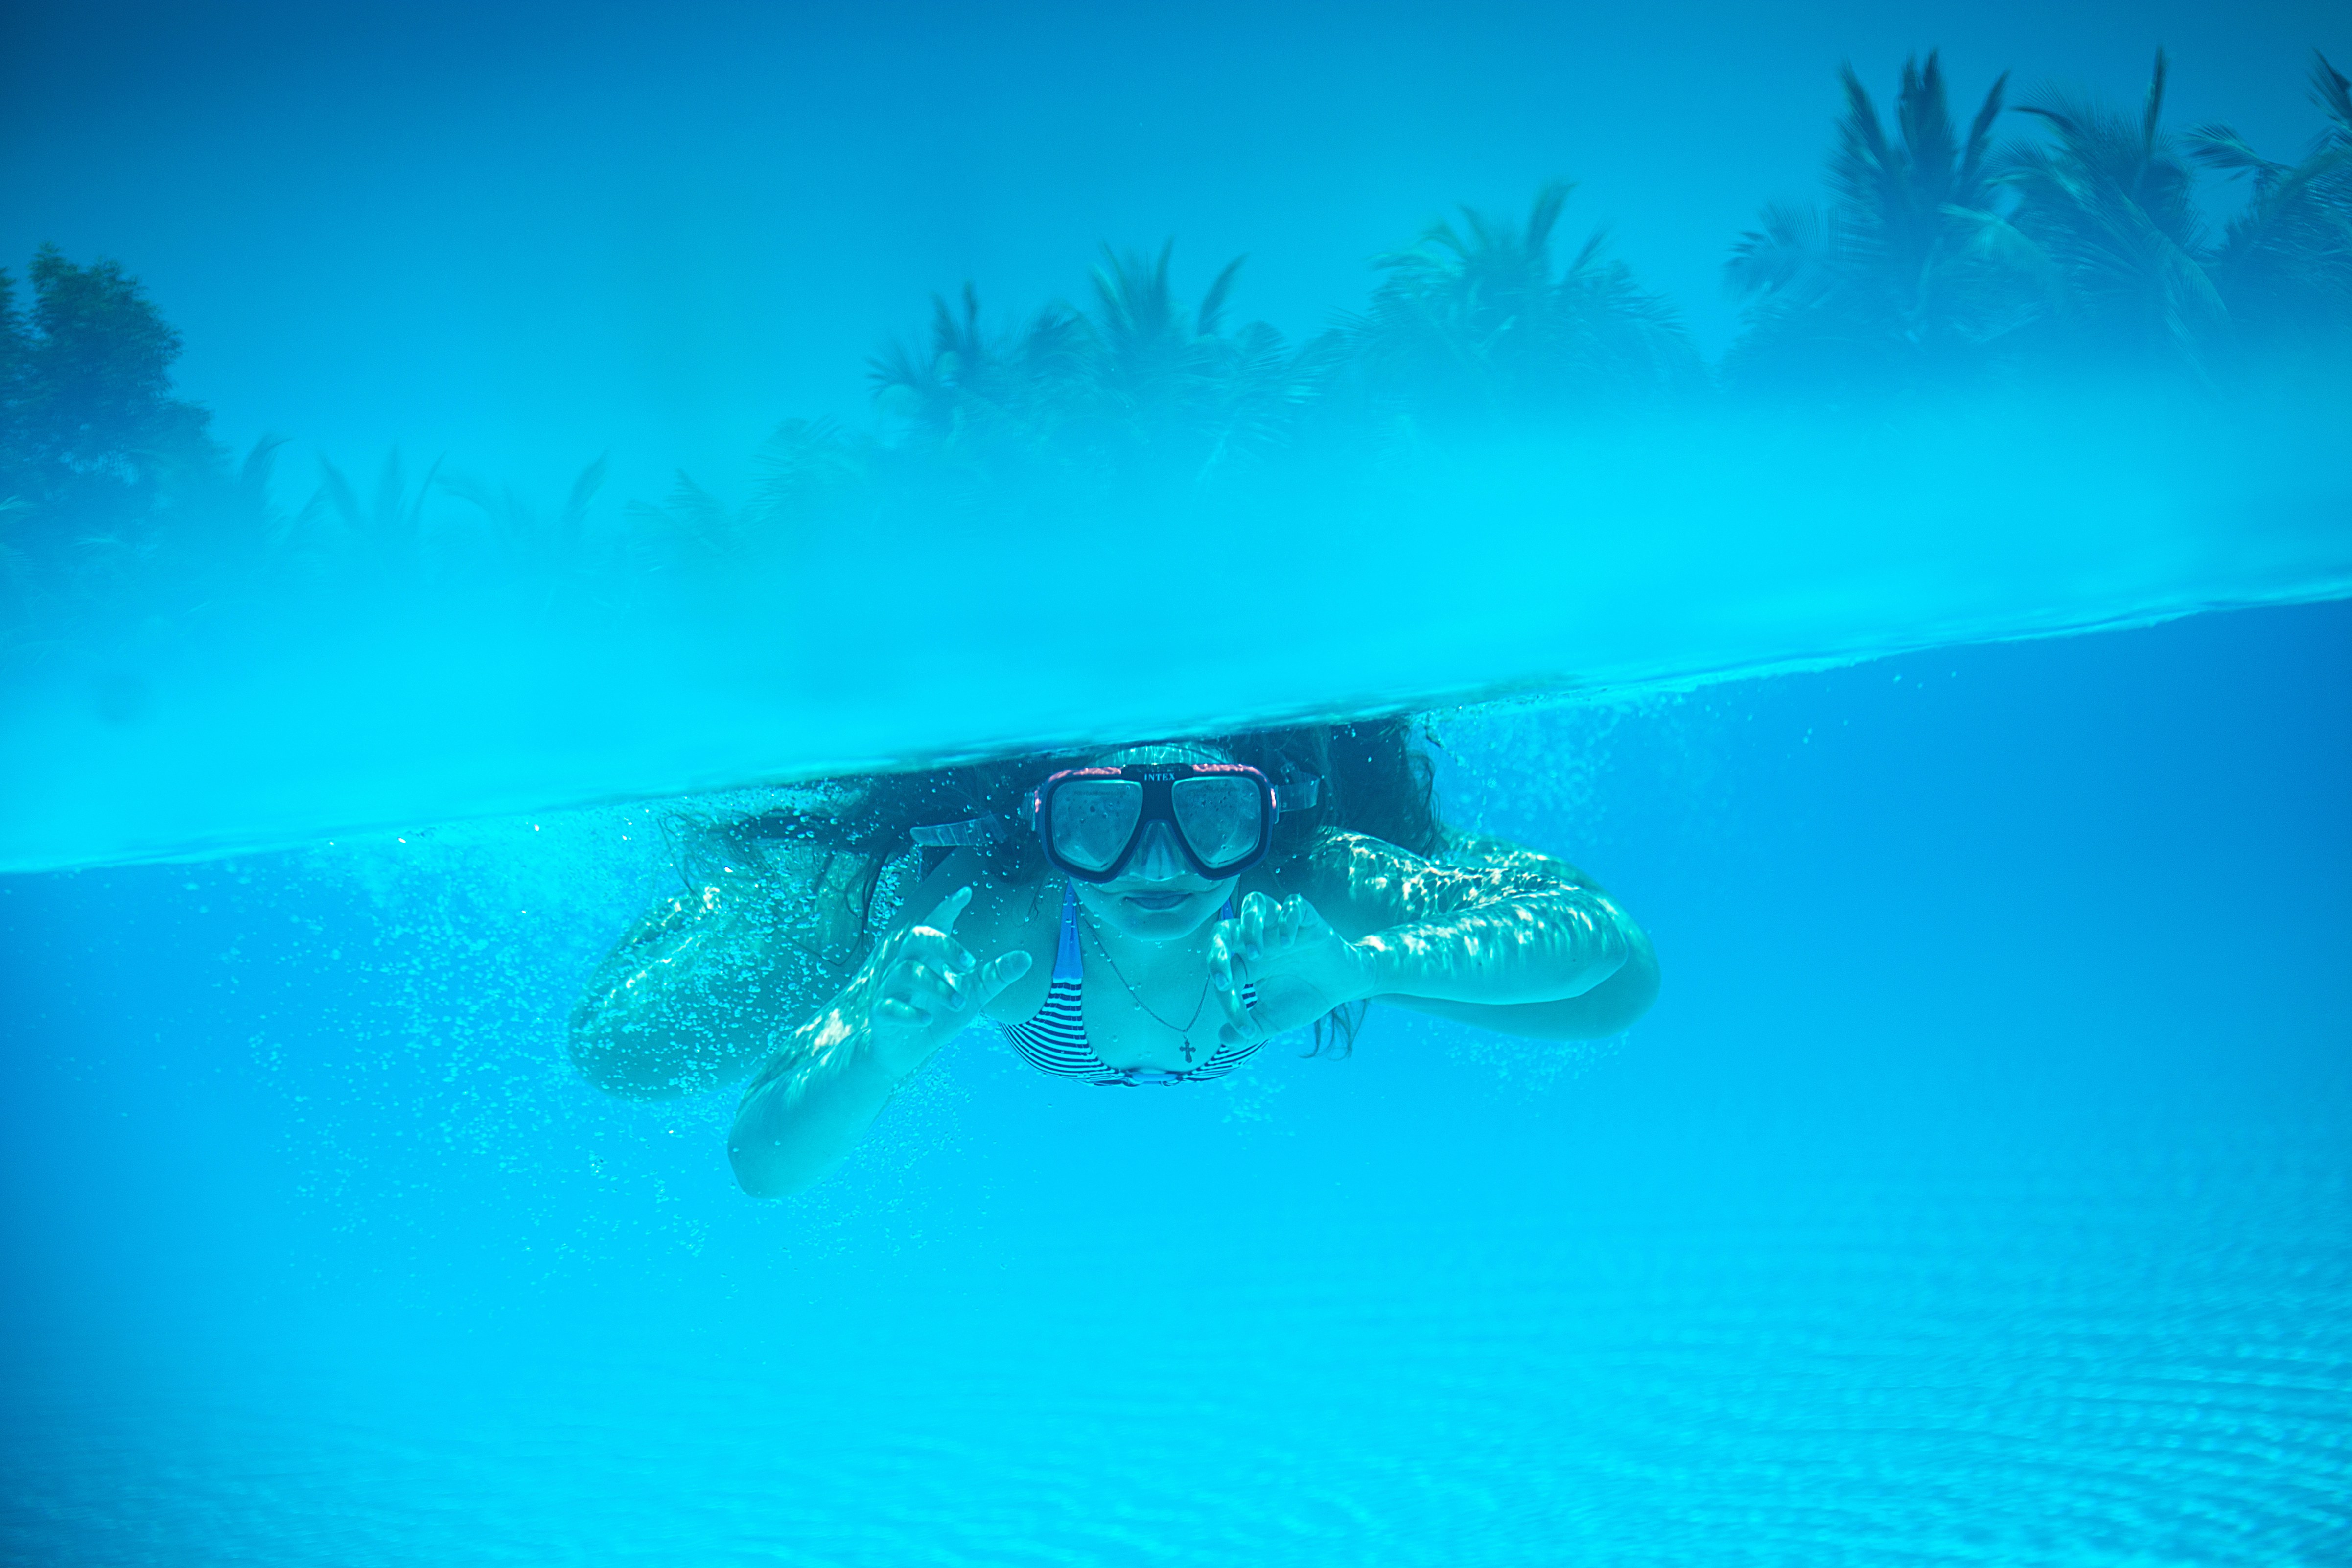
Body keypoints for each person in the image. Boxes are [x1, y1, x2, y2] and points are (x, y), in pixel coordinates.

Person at [569, 721, 1657, 1198]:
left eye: (1213, 816)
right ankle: (784, 908)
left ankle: (1428, 859)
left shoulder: (1303, 881)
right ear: (1048, 826)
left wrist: (1367, 962)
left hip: (1342, 921)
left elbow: (1607, 944)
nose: (1157, 863)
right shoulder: (998, 927)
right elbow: (760, 1167)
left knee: (1614, 1001)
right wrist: (881, 1053)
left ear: (1262, 814)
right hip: (885, 926)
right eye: (1098, 823)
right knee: (621, 1055)